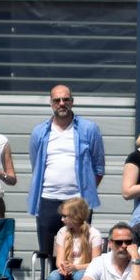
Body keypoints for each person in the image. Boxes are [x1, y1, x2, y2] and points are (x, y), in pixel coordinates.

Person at [26, 84, 103, 262]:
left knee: (80, 252)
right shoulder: (39, 131)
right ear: (51, 103)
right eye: (57, 100)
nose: (61, 103)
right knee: (47, 253)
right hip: (47, 199)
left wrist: (86, 192)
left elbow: (98, 167)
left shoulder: (89, 129)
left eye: (65, 99)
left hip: (77, 200)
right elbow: (35, 165)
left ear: (72, 101)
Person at [45, 196, 104, 280]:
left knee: (79, 277)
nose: (62, 219)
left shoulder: (94, 234)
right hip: (66, 272)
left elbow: (96, 263)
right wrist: (63, 268)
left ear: (76, 216)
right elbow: (59, 261)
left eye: (65, 216)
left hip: (85, 272)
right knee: (53, 276)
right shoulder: (62, 232)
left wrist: (75, 267)